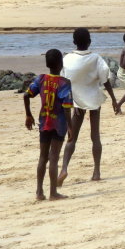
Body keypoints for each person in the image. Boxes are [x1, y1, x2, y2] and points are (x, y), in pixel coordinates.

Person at [58, 28, 118, 185]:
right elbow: (105, 79)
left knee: (72, 138)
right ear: (89, 42)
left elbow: (62, 82)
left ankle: (64, 169)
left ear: (73, 42)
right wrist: (113, 99)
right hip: (93, 100)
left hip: (76, 102)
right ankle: (96, 171)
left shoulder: (67, 59)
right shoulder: (95, 58)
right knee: (95, 137)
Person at [24, 49, 74, 201]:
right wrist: (71, 127)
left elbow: (26, 95)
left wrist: (28, 114)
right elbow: (66, 107)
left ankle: (39, 192)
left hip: (44, 121)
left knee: (42, 157)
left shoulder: (41, 79)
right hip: (58, 124)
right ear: (61, 64)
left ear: (47, 63)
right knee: (54, 158)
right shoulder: (64, 83)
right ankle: (53, 193)